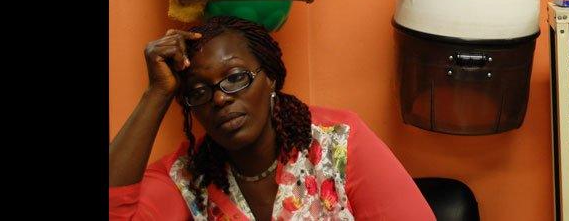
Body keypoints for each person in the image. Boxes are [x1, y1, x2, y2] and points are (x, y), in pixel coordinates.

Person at [109, 16, 435, 220]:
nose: (220, 98)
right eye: (199, 91)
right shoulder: (186, 178)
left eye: (236, 77)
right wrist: (157, 93)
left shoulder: (338, 142)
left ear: (271, 79)